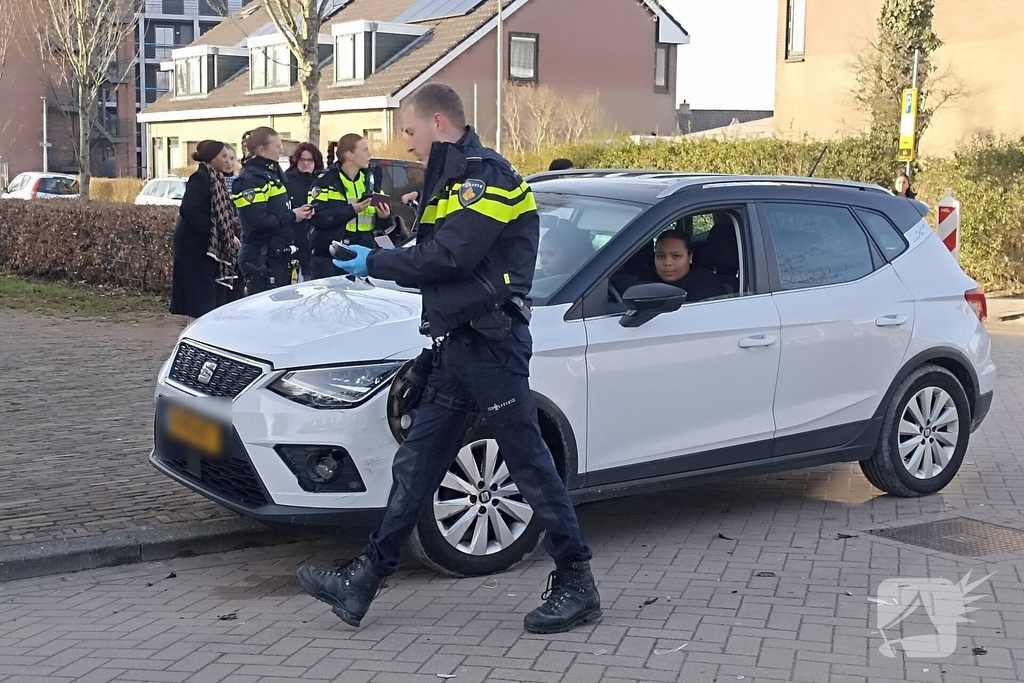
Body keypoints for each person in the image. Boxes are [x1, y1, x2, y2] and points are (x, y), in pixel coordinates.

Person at [296, 83, 600, 635]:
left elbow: (450, 258)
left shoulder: (488, 178)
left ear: (438, 121)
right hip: (456, 345)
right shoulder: (450, 180)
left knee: (528, 462)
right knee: (415, 468)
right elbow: (435, 261)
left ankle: (577, 580)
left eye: (409, 132)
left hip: (491, 347)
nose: (405, 145)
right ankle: (363, 579)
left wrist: (377, 262)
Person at [232, 127, 312, 294]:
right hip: (260, 258)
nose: (281, 150)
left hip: (278, 255)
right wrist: (292, 216)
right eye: (277, 146)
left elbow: (278, 210)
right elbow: (257, 222)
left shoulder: (272, 173)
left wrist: (297, 212)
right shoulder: (250, 180)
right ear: (262, 150)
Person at [170, 140, 242, 324]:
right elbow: (189, 210)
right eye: (223, 156)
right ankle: (194, 337)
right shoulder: (201, 178)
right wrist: (213, 232)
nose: (228, 161)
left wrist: (228, 233)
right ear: (211, 158)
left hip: (207, 246)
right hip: (195, 248)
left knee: (208, 297)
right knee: (199, 299)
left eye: (229, 157)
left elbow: (220, 216)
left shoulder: (215, 178)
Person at [306, 133, 394, 279]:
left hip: (363, 257)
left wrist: (385, 217)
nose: (370, 154)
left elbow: (383, 224)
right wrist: (351, 210)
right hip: (331, 260)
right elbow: (317, 219)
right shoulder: (325, 182)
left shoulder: (370, 181)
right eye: (365, 150)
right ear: (350, 155)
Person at [652, 229, 727, 303]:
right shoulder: (648, 283)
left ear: (690, 257)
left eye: (676, 256)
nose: (667, 263)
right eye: (661, 256)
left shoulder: (706, 285)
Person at [285, 142, 324, 281]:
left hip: (317, 239)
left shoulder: (322, 181)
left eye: (310, 160)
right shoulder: (287, 180)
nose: (306, 163)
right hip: (295, 237)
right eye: (302, 160)